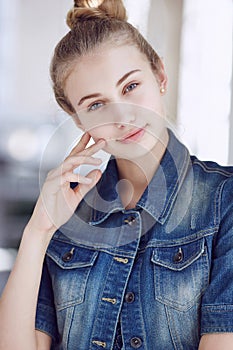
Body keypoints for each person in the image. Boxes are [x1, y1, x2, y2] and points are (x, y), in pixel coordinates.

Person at [0, 0, 233, 349]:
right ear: (78, 120)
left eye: (129, 87)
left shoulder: (223, 200)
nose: (122, 117)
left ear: (160, 76)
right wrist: (39, 231)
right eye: (96, 105)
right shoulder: (68, 213)